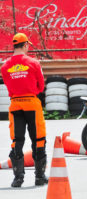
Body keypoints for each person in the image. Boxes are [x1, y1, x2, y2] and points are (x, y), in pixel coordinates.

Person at [1, 33, 48, 187]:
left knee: (17, 140)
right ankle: (40, 176)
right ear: (26, 45)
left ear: (14, 46)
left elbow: (8, 86)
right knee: (38, 139)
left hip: (15, 104)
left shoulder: (5, 66)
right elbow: (41, 86)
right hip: (32, 103)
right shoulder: (34, 63)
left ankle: (18, 178)